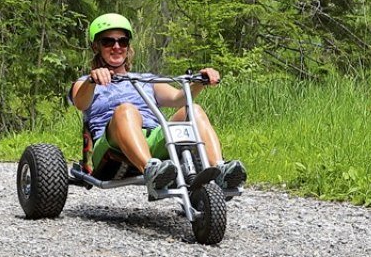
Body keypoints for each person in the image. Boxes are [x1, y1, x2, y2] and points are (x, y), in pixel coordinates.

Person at [69, 13, 245, 197]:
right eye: (108, 42)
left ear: (128, 45)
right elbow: (81, 103)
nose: (116, 47)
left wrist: (200, 81)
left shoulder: (145, 80)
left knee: (193, 110)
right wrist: (92, 80)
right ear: (96, 46)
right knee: (126, 110)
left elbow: (179, 98)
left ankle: (219, 170)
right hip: (110, 146)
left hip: (152, 138)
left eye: (122, 41)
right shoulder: (86, 82)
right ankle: (151, 170)